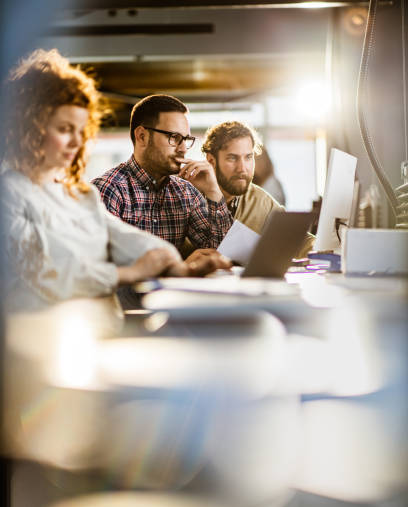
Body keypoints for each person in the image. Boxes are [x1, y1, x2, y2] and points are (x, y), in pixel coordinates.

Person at [0, 49, 227, 312]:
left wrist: (176, 265)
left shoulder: (79, 195)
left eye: (80, 130)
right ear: (30, 128)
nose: (76, 142)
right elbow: (47, 274)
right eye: (64, 129)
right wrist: (130, 274)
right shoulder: (10, 194)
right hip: (35, 339)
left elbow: (126, 238)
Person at [91, 94, 233, 261]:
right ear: (142, 136)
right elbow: (100, 270)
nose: (183, 149)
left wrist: (213, 191)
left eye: (186, 139)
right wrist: (178, 271)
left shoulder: (185, 192)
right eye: (174, 137)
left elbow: (224, 253)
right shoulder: (108, 191)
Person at [201, 121, 314, 257]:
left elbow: (298, 239)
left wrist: (333, 249)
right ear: (211, 161)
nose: (242, 168)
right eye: (232, 158)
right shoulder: (187, 197)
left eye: (248, 157)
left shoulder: (259, 199)